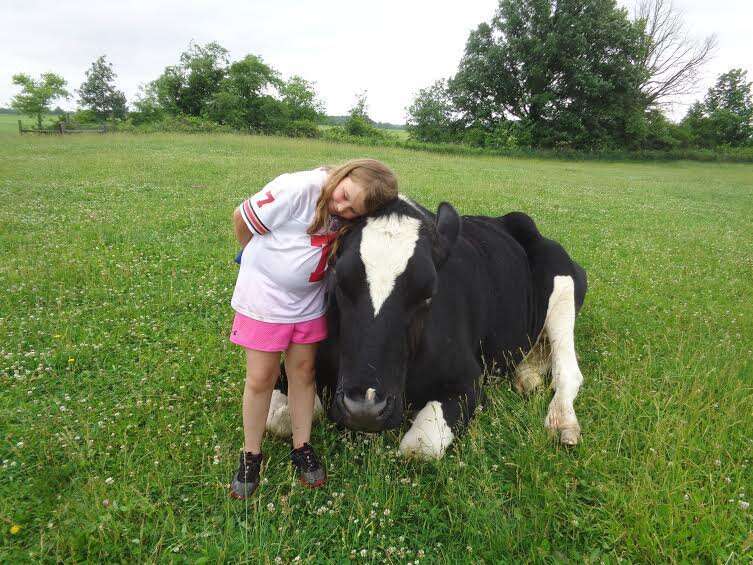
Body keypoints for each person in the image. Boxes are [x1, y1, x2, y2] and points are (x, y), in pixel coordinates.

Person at [229, 158, 398, 499]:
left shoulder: (351, 213)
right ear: (345, 172)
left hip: (308, 302)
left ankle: (301, 445)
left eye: (354, 209)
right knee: (261, 377)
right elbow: (241, 217)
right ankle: (251, 454)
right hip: (266, 301)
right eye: (345, 194)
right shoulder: (298, 187)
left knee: (304, 373)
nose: (343, 206)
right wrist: (255, 259)